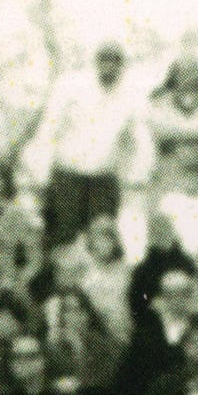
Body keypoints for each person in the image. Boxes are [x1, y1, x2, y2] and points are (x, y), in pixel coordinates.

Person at [36, 42, 140, 249]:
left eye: (115, 62)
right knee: (63, 240)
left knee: (101, 242)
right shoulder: (71, 86)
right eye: (104, 60)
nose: (109, 67)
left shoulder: (129, 98)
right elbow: (48, 130)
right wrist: (41, 177)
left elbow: (132, 143)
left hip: (104, 181)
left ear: (122, 66)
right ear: (96, 62)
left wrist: (126, 179)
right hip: (68, 178)